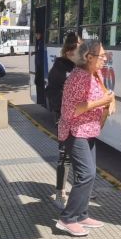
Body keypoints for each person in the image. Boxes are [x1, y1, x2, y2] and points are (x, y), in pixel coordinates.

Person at [55, 39, 114, 237]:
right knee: (86, 174)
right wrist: (101, 102)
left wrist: (109, 100)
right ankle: (68, 218)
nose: (105, 59)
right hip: (76, 131)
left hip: (89, 130)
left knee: (90, 174)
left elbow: (104, 95)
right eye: (102, 55)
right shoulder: (77, 77)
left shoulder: (95, 74)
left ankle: (81, 214)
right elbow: (70, 111)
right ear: (88, 57)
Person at [47, 32, 80, 209]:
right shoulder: (60, 69)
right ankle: (60, 193)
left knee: (80, 153)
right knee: (65, 154)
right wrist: (62, 113)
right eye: (78, 49)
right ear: (69, 52)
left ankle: (81, 188)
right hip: (63, 115)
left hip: (78, 116)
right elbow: (51, 93)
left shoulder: (80, 67)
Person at [34, 31, 47, 108]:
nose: (36, 35)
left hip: (41, 66)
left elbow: (41, 53)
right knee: (38, 82)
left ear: (41, 34)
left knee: (39, 82)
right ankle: (42, 100)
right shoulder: (39, 42)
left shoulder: (42, 43)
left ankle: (43, 100)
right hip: (39, 66)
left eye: (37, 34)